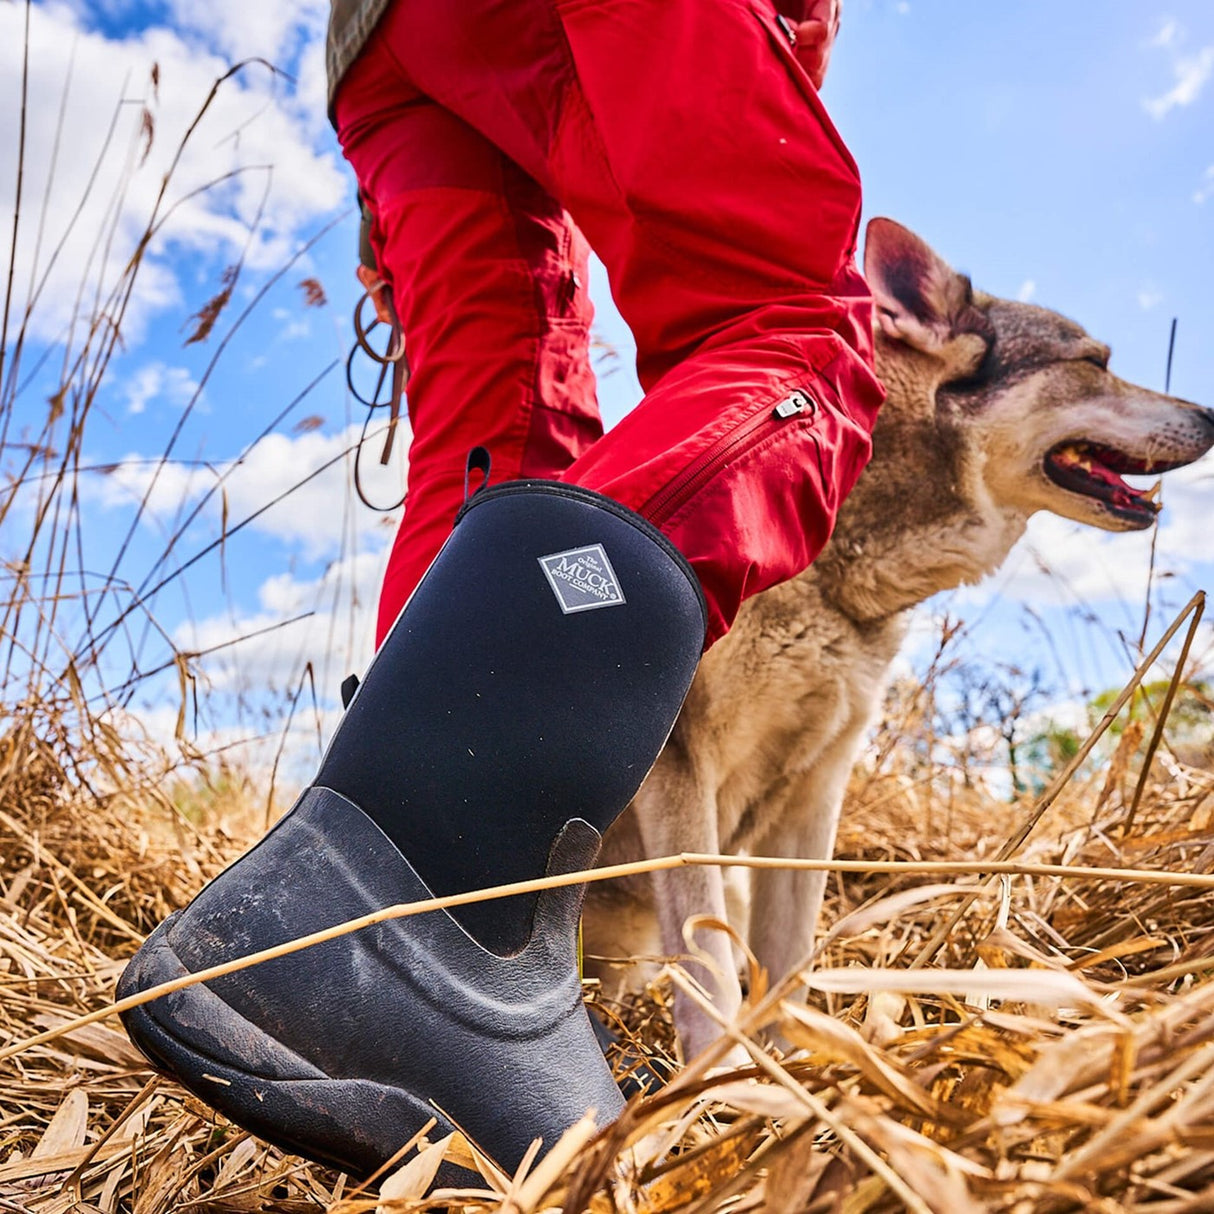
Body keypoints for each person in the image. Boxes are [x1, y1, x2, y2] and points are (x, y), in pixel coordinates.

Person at [117, 0, 886, 1182]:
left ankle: (364, 941)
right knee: (786, 321)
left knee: (498, 444)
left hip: (380, 48)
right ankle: (439, 911)